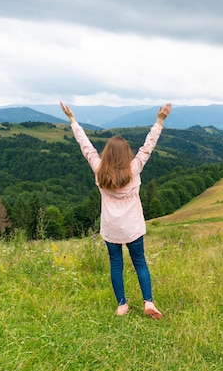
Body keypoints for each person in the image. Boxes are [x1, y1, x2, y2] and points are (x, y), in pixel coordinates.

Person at [60, 101, 172, 318]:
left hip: (111, 229)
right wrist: (160, 121)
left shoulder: (99, 169)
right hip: (133, 228)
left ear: (108, 154)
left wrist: (72, 120)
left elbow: (86, 146)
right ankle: (148, 302)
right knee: (140, 262)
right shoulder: (134, 169)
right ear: (125, 154)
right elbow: (147, 147)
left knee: (116, 265)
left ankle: (122, 305)